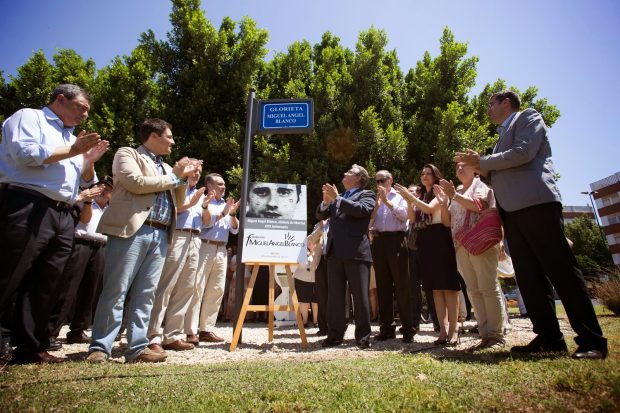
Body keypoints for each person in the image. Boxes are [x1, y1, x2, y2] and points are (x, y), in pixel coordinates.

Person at [454, 89, 607, 359]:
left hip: (536, 204)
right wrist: (482, 166)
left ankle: (591, 340)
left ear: (506, 102)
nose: (488, 109)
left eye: (491, 103)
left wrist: (483, 163)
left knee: (562, 272)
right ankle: (548, 337)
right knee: (529, 277)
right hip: (511, 211)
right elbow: (500, 171)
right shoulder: (500, 138)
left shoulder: (528, 117)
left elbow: (523, 153)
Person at [0, 84, 109, 364]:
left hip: (64, 213)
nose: (84, 114)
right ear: (61, 99)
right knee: (10, 275)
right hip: (28, 203)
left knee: (46, 282)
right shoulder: (29, 117)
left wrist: (87, 161)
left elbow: (84, 182)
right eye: (80, 107)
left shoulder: (70, 138)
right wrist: (73, 149)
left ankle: (30, 347)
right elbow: (26, 155)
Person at [87, 118, 196, 364]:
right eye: (169, 136)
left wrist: (183, 178)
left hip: (160, 233)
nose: (173, 141)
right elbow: (135, 184)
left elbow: (178, 203)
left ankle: (137, 347)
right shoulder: (127, 154)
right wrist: (175, 177)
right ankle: (100, 347)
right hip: (132, 230)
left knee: (146, 293)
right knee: (117, 289)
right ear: (153, 136)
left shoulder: (168, 168)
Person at [436, 162, 505, 351]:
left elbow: (480, 206)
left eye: (464, 166)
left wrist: (453, 196)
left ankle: (496, 336)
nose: (459, 169)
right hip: (461, 245)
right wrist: (444, 204)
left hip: (480, 241)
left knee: (488, 288)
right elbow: (447, 222)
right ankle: (485, 335)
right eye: (457, 167)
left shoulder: (479, 186)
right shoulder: (457, 190)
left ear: (475, 169)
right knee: (473, 290)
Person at [147, 159, 209, 352]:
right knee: (166, 286)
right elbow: (171, 209)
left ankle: (173, 335)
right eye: (194, 171)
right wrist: (190, 203)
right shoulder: (175, 187)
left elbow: (206, 223)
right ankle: (153, 335)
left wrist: (203, 206)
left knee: (187, 288)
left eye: (199, 172)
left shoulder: (201, 194)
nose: (197, 174)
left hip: (195, 238)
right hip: (177, 235)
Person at [394, 164, 461, 346]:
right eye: (422, 173)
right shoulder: (421, 196)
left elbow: (430, 210)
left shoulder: (440, 191)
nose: (424, 176)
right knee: (435, 288)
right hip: (425, 240)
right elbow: (413, 218)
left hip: (440, 236)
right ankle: (443, 330)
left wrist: (410, 197)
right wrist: (409, 201)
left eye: (428, 173)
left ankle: (455, 330)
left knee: (448, 286)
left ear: (435, 176)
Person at [47, 177, 114, 347]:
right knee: (69, 288)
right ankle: (51, 332)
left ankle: (78, 330)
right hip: (81, 244)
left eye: (108, 189)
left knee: (91, 290)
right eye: (102, 186)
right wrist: (89, 201)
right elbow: (84, 220)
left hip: (101, 246)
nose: (104, 190)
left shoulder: (111, 209)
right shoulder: (84, 202)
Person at [316, 164, 376, 348]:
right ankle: (334, 335)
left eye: (349, 172)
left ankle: (363, 337)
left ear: (359, 178)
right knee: (335, 296)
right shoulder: (337, 198)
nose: (344, 173)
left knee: (360, 296)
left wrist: (338, 198)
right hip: (335, 252)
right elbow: (320, 214)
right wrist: (326, 201)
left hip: (356, 252)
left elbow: (361, 211)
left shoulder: (367, 194)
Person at [188, 173, 239, 343]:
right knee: (197, 288)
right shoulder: (202, 202)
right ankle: (191, 330)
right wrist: (224, 213)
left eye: (224, 184)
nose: (223, 187)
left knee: (217, 290)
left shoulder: (226, 205)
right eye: (219, 184)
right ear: (209, 186)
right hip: (204, 246)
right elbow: (206, 223)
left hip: (222, 249)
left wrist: (231, 214)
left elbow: (235, 230)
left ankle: (207, 329)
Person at [369, 170, 415, 343]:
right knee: (382, 286)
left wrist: (387, 202)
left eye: (383, 180)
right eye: (377, 181)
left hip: (397, 239)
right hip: (379, 241)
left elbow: (405, 216)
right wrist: (377, 204)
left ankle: (408, 328)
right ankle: (386, 328)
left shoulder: (399, 196)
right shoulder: (376, 199)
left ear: (391, 180)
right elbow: (370, 222)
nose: (380, 183)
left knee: (402, 285)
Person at [307, 219, 329, 336]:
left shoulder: (340, 220)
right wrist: (321, 228)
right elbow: (310, 240)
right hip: (321, 262)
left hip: (335, 261)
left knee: (335, 295)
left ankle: (335, 326)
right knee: (321, 296)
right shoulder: (319, 224)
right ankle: (323, 327)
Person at [293, 244, 320, 327]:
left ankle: (316, 321)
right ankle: (304, 322)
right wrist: (310, 254)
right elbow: (302, 264)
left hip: (316, 279)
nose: (312, 244)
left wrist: (314, 254)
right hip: (302, 278)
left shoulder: (319, 251)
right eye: (310, 242)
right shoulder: (301, 251)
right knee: (303, 301)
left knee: (316, 301)